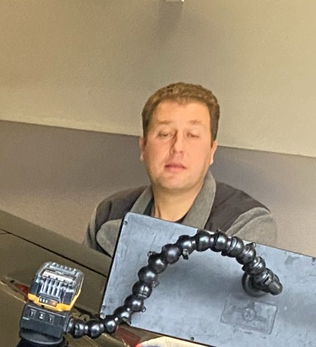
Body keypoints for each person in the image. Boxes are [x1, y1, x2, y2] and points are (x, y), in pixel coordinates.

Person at [86, 82, 276, 257]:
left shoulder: (247, 222)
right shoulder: (109, 213)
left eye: (192, 135)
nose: (177, 147)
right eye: (165, 134)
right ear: (143, 147)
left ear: (211, 150)